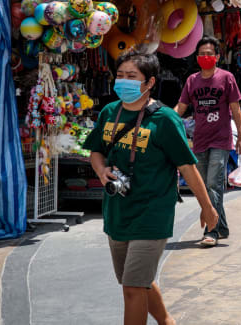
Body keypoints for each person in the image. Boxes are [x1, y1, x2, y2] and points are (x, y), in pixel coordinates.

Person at [84, 49, 219, 325]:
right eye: (120, 75)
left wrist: (208, 207)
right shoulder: (110, 112)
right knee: (134, 281)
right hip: (117, 212)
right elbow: (95, 151)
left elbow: (187, 166)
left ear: (149, 83)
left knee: (133, 288)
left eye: (131, 76)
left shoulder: (165, 119)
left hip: (152, 213)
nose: (123, 81)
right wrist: (101, 171)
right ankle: (167, 321)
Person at [174, 36, 241, 247]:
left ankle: (212, 231)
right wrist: (166, 119)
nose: (206, 57)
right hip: (200, 140)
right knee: (204, 186)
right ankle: (221, 226)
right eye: (202, 54)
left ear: (217, 57)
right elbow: (181, 106)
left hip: (221, 140)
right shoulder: (192, 81)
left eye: (209, 54)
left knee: (214, 184)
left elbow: (235, 109)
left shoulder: (226, 78)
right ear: (197, 57)